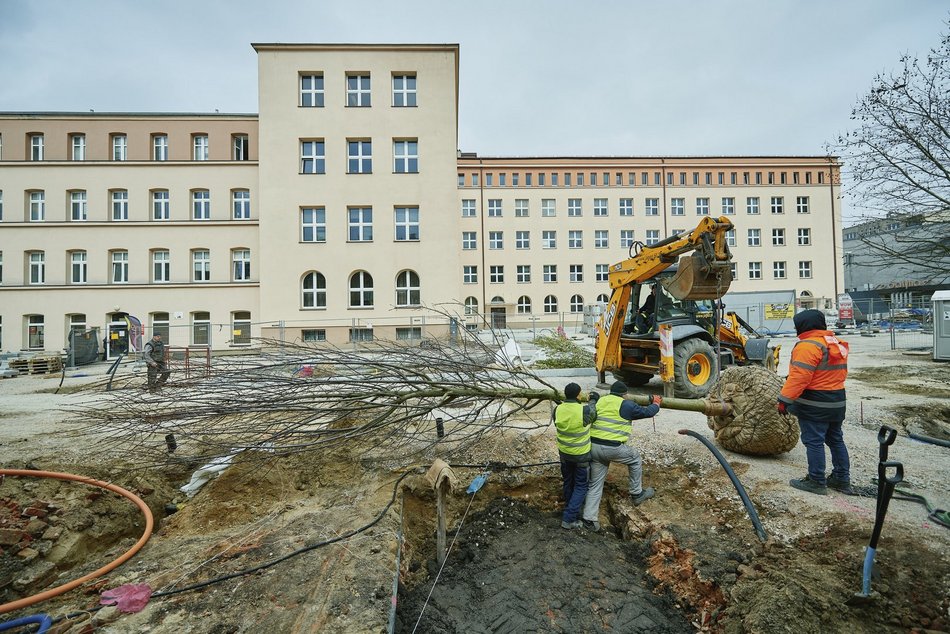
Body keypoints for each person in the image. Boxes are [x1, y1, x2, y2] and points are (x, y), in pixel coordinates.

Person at [778, 309, 850, 495]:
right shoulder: (834, 343)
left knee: (814, 441)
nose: (795, 329)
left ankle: (816, 480)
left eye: (797, 325)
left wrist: (784, 400)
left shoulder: (807, 346)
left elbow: (799, 378)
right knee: (835, 439)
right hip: (837, 400)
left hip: (815, 403)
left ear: (804, 325)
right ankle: (841, 478)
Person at [582, 380, 661, 531]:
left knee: (595, 484)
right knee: (635, 458)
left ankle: (589, 519)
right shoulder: (625, 404)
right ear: (624, 394)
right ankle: (637, 493)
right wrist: (656, 403)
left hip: (593, 447)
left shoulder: (601, 401)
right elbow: (647, 412)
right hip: (611, 448)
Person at [553, 382, 598, 530]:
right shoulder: (583, 410)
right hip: (580, 456)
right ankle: (569, 518)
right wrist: (593, 399)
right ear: (578, 395)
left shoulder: (557, 409)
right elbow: (593, 413)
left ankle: (569, 507)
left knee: (568, 481)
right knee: (581, 486)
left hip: (564, 454)